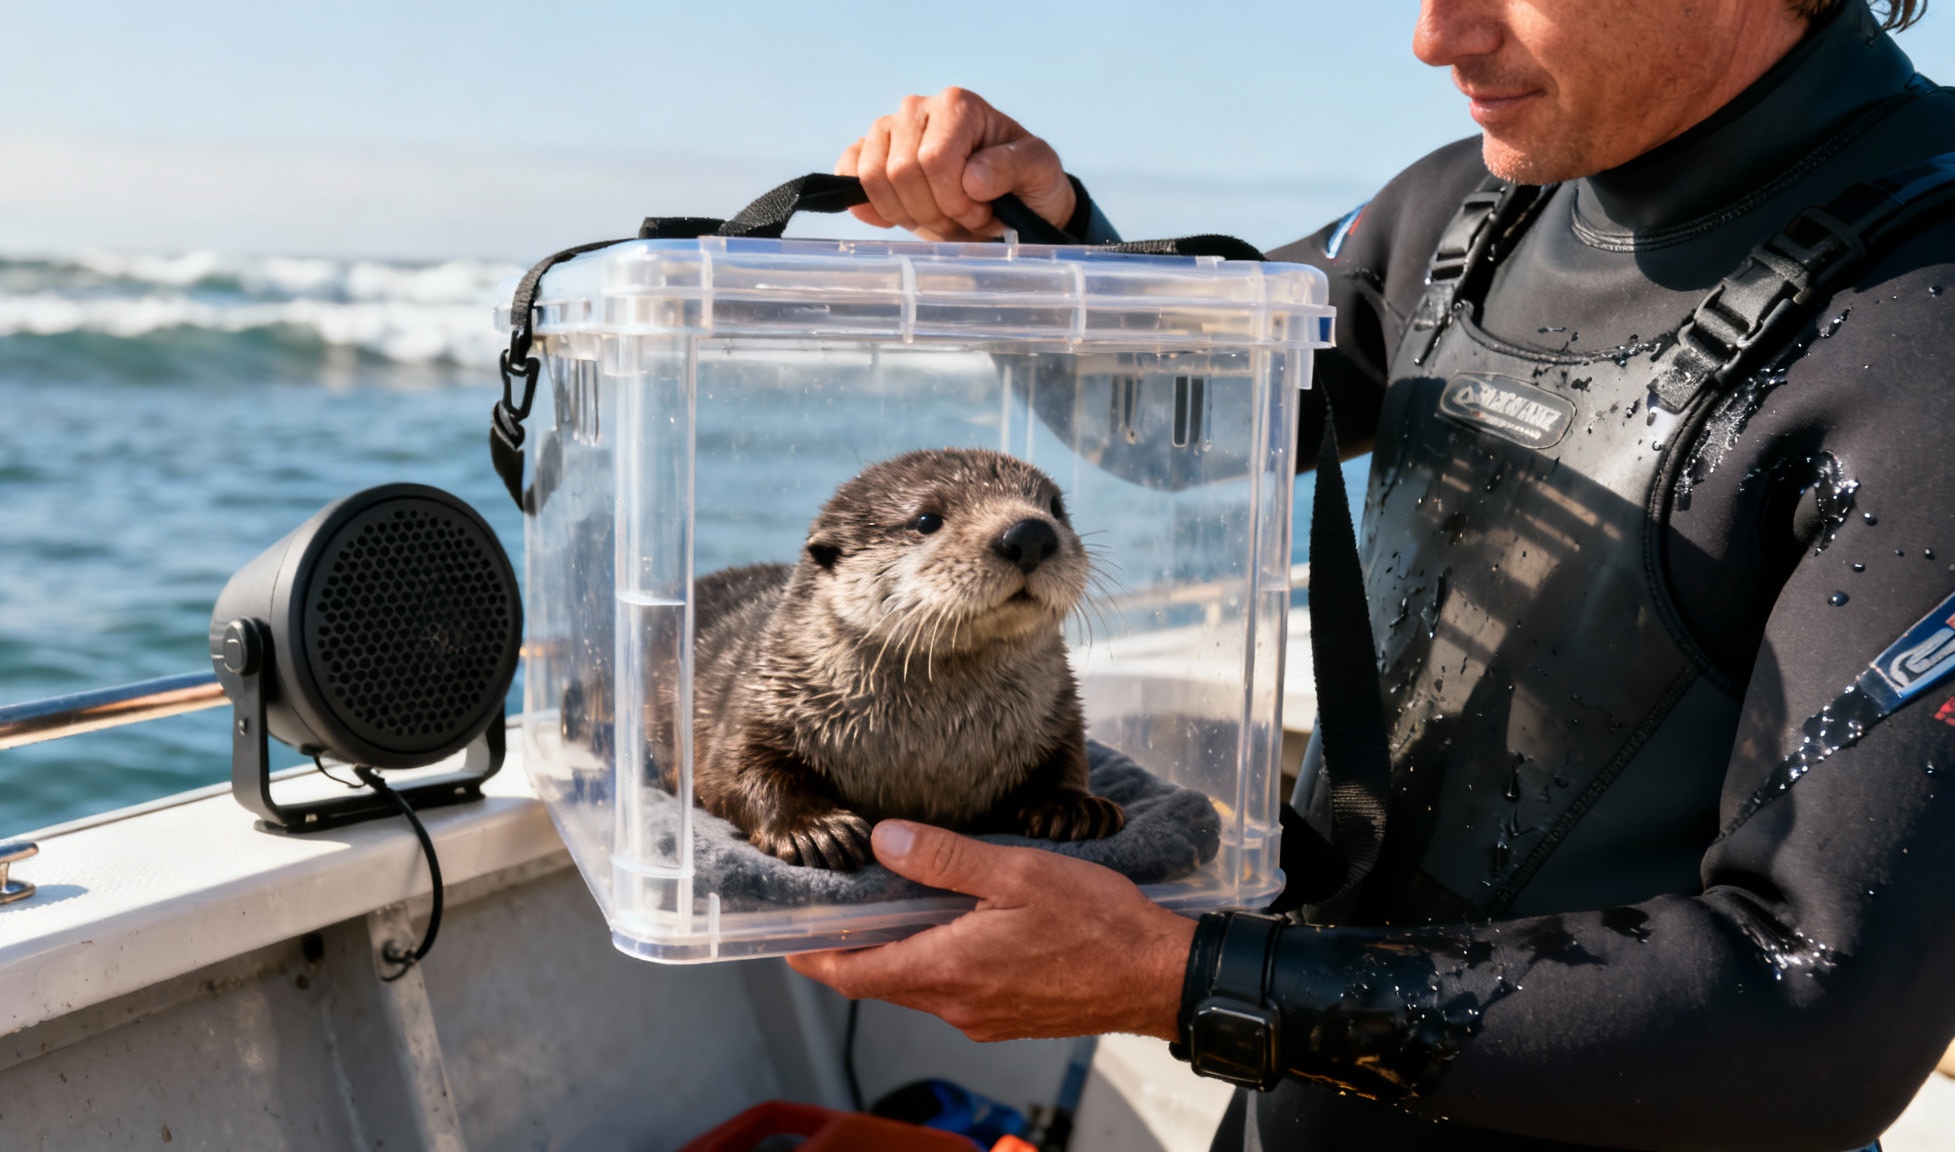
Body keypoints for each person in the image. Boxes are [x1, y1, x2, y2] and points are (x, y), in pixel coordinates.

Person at [786, 1, 1955, 1148]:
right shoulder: (1467, 209)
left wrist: (1177, 979)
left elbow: (1816, 1015)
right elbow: (1175, 415)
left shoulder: (1925, 330)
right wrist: (1030, 236)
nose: (1434, 37)